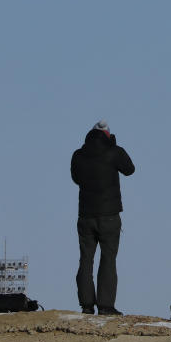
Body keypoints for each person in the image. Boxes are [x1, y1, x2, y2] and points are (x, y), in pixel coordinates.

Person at [71, 120, 134, 315]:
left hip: (86, 215)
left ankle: (86, 305)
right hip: (109, 216)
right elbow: (129, 169)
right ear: (107, 135)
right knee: (108, 259)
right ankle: (106, 305)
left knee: (86, 259)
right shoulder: (113, 152)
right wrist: (113, 146)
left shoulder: (79, 155)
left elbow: (76, 178)